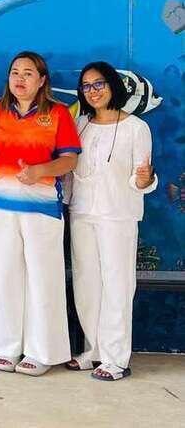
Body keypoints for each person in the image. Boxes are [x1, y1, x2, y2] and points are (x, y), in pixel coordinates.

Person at [0, 51, 80, 376]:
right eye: (15, 72)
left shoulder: (58, 114)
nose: (20, 79)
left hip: (42, 210)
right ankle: (7, 348)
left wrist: (40, 171)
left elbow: (70, 160)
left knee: (42, 279)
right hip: (0, 208)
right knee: (3, 276)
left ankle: (41, 352)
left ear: (42, 79)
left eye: (28, 73)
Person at [65, 62, 157, 381]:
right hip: (81, 213)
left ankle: (116, 358)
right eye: (87, 86)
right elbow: (69, 171)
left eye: (99, 84)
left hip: (118, 215)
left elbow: (141, 177)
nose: (93, 91)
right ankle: (93, 351)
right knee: (86, 283)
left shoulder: (136, 128)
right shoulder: (79, 124)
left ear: (113, 85)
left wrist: (145, 180)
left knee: (117, 285)